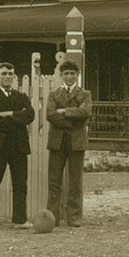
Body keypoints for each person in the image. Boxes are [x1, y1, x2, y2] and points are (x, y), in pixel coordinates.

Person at [0, 62, 35, 232]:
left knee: (20, 184)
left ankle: (20, 220)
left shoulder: (21, 96)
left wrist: (10, 114)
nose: (7, 77)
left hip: (18, 146)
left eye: (10, 74)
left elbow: (31, 115)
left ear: (14, 76)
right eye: (4, 74)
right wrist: (18, 119)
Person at [47, 60, 91, 227]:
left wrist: (64, 111)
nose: (70, 77)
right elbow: (50, 115)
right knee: (54, 180)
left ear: (77, 75)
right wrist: (74, 117)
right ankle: (52, 216)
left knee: (75, 180)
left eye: (72, 73)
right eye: (66, 74)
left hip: (77, 142)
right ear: (61, 76)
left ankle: (73, 216)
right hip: (57, 141)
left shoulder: (85, 94)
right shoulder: (54, 94)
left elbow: (86, 111)